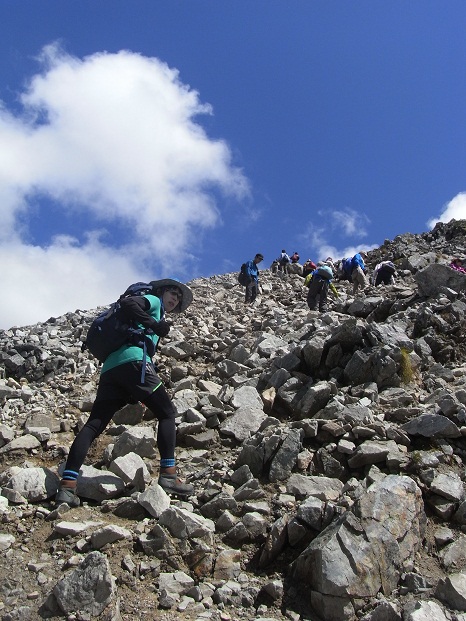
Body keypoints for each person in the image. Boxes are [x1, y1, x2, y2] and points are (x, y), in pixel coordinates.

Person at [55, 278, 194, 507]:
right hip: (133, 363)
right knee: (167, 413)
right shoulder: (153, 301)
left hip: (111, 369)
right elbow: (130, 304)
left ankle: (67, 486)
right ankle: (169, 475)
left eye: (178, 298)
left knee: (94, 425)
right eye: (172, 293)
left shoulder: (155, 314)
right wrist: (153, 323)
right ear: (161, 291)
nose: (174, 299)